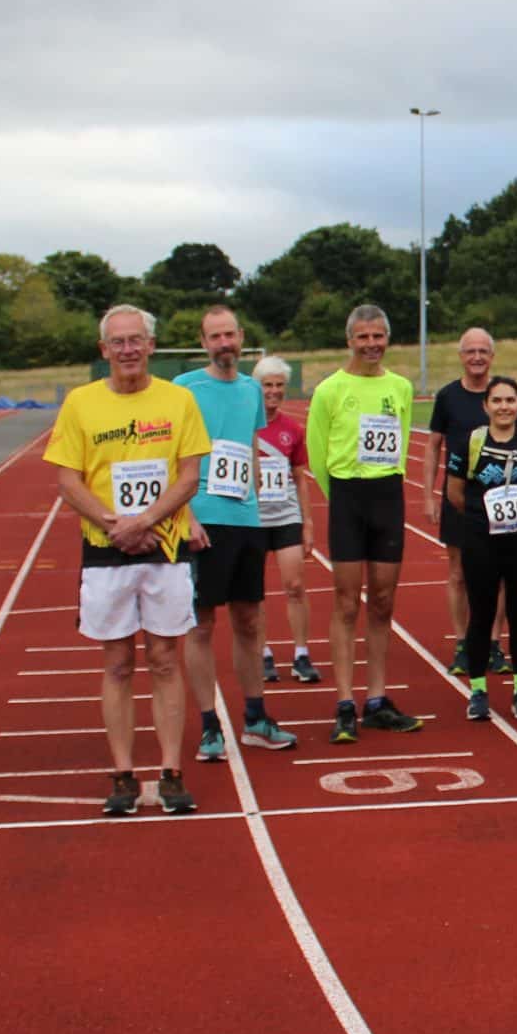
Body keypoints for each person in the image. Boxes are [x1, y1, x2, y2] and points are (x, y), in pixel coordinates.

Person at [47, 304, 211, 815]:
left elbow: (188, 475)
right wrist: (114, 524)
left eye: (136, 340)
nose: (128, 350)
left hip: (164, 547)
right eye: (117, 342)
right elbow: (67, 478)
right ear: (104, 350)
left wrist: (145, 522)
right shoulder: (79, 403)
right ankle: (121, 773)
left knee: (165, 660)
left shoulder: (178, 400)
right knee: (117, 664)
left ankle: (170, 771)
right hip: (105, 548)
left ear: (151, 345)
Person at [176, 306, 297, 762]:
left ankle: (255, 719)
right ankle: (210, 726)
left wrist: (261, 503)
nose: (224, 343)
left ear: (241, 337)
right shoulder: (185, 389)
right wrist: (184, 515)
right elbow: (173, 454)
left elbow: (248, 446)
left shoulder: (251, 390)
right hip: (204, 517)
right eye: (215, 337)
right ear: (204, 341)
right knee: (201, 623)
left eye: (230, 335)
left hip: (247, 519)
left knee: (251, 620)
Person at [305, 304, 420, 740]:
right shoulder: (330, 390)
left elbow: (404, 438)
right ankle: (343, 702)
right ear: (350, 340)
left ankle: (376, 699)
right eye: (363, 337)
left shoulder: (401, 387)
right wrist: (342, 497)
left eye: (378, 336)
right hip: (348, 495)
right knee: (346, 601)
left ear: (387, 339)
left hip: (387, 495)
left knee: (384, 601)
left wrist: (383, 488)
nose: (371, 344)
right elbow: (317, 455)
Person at [448, 375, 517, 722]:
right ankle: (477, 690)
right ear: (486, 406)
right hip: (481, 540)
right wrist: (484, 517)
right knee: (482, 613)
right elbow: (455, 493)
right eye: (497, 401)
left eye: (510, 400)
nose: (504, 407)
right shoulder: (470, 443)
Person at [427, 327, 506, 678]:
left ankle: (492, 643)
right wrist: (428, 494)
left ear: (492, 356)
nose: (477, 357)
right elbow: (431, 447)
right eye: (470, 351)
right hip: (459, 498)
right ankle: (462, 643)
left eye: (483, 351)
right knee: (458, 574)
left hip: (499, 499)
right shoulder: (447, 397)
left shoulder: (502, 395)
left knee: (499, 574)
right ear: (461, 356)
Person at [252, 356, 320, 686]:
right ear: (256, 387)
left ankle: (301, 654)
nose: (274, 391)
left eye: (279, 385)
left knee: (295, 585)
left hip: (285, 515)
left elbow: (300, 477)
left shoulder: (293, 429)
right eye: (268, 385)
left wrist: (307, 523)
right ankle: (263, 653)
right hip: (251, 518)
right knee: (255, 591)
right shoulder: (243, 426)